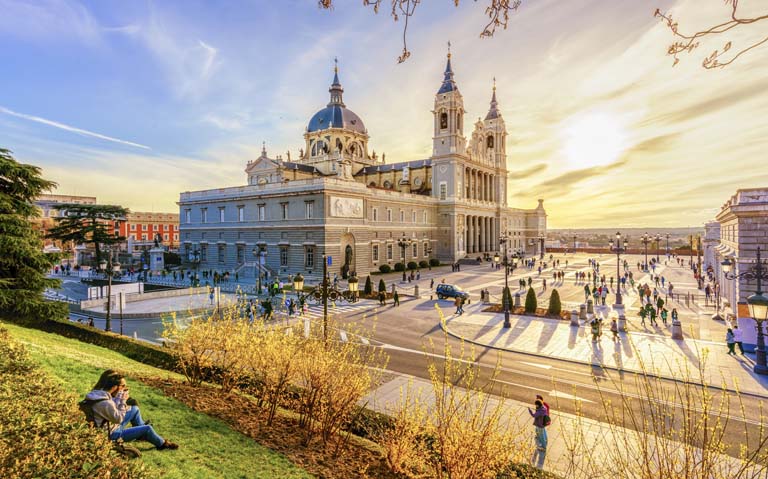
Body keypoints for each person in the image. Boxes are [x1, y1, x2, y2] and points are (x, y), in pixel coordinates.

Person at [85, 371, 178, 450]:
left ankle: (141, 433)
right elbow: (119, 419)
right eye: (122, 386)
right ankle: (162, 444)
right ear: (114, 387)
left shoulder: (97, 394)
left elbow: (111, 410)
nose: (124, 388)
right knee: (148, 428)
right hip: (111, 434)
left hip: (108, 425)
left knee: (134, 409)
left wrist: (118, 399)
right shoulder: (105, 403)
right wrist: (122, 401)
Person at [528, 399, 548, 469]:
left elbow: (534, 415)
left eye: (536, 404)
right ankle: (542, 442)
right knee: (542, 433)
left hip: (539, 425)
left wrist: (530, 411)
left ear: (538, 404)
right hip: (542, 424)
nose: (535, 406)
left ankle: (543, 446)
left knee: (541, 436)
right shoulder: (544, 408)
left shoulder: (540, 411)